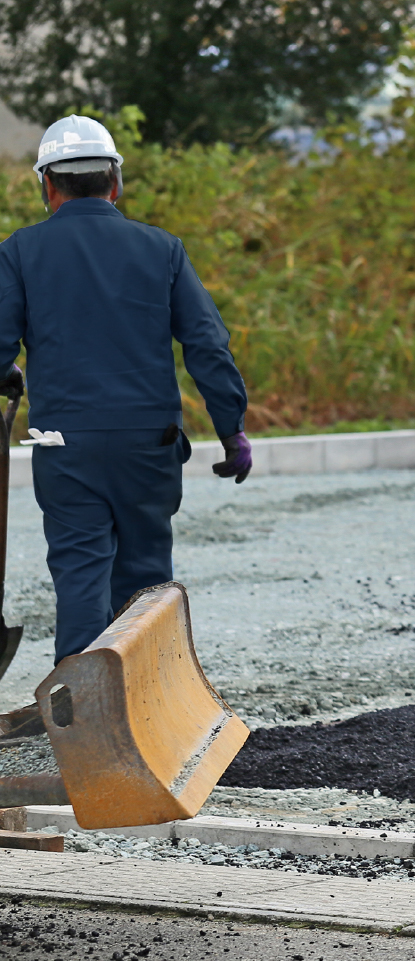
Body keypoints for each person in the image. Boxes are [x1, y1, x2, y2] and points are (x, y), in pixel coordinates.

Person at [0, 116, 252, 676]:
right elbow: (207, 343)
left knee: (80, 575)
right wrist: (230, 427)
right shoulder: (162, 250)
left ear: (48, 185)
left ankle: (82, 716)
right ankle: (150, 706)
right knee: (144, 580)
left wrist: (9, 371)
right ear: (115, 181)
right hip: (149, 445)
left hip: (66, 445)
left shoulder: (19, 252)